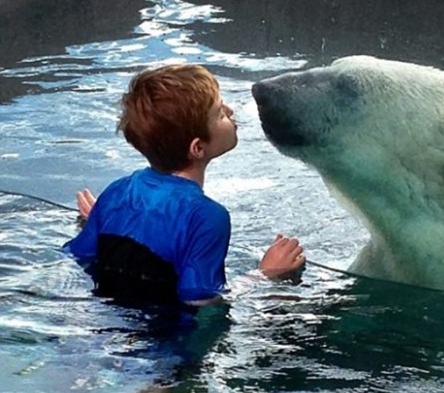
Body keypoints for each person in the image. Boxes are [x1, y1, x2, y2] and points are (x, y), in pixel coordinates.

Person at [64, 63, 305, 306]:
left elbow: (80, 254)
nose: (231, 111)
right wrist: (265, 273)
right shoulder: (207, 216)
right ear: (198, 148)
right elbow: (201, 299)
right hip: (165, 335)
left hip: (102, 317)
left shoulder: (118, 191)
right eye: (219, 114)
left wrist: (99, 219)